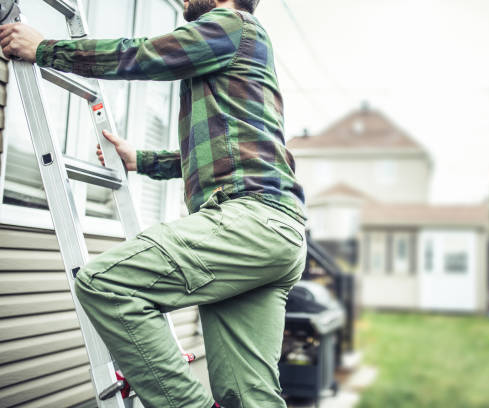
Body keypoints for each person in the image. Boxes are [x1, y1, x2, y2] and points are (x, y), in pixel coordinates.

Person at [0, 1, 307, 407]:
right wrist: (140, 161)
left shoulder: (233, 25)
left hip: (250, 220)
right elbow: (218, 154)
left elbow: (144, 54)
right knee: (245, 394)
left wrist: (46, 49)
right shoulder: (237, 50)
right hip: (275, 234)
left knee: (107, 284)